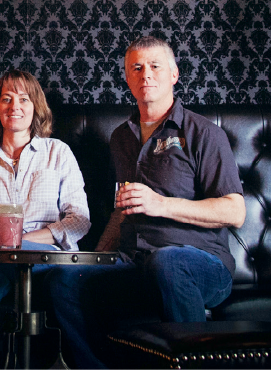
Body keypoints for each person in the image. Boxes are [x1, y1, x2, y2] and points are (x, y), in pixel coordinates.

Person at [46, 36, 246, 370]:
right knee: (63, 280)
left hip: (202, 266)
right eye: (136, 68)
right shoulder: (121, 136)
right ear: (127, 78)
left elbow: (235, 211)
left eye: (155, 66)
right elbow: (123, 210)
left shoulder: (203, 133)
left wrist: (161, 204)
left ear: (174, 74)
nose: (145, 74)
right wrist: (94, 256)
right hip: (136, 265)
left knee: (167, 263)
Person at [0, 69, 91, 303]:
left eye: (23, 99)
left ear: (35, 106)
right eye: (6, 98)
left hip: (46, 257)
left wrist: (22, 240)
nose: (14, 106)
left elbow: (79, 221)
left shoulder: (58, 152)